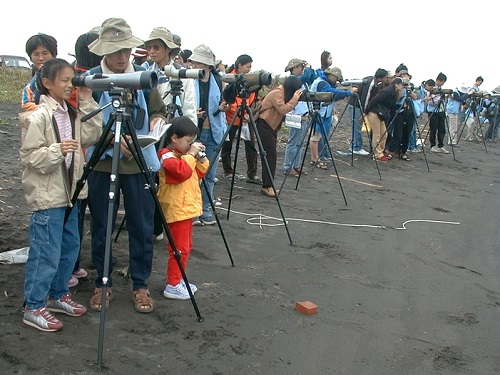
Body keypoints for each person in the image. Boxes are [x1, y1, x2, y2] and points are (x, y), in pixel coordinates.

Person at [85, 18, 167, 313]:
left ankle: (141, 285)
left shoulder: (143, 77)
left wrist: (155, 126)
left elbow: (158, 110)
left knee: (142, 224)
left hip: (138, 162)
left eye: (127, 50)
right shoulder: (92, 79)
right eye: (117, 50)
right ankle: (102, 282)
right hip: (103, 164)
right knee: (102, 225)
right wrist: (108, 140)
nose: (122, 57)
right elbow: (83, 121)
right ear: (104, 50)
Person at [20, 58, 103, 331]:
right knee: (46, 252)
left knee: (69, 248)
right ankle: (33, 305)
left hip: (71, 193)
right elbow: (31, 157)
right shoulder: (39, 116)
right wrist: (58, 150)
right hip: (48, 196)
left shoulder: (72, 112)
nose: (70, 85)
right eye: (64, 81)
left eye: (72, 80)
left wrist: (88, 100)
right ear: (47, 83)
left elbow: (92, 135)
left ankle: (57, 295)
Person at [144, 27, 197, 239]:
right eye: (149, 47)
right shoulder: (144, 72)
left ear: (168, 50)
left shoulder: (183, 75)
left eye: (156, 47)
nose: (152, 51)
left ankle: (166, 222)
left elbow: (190, 108)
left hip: (173, 134)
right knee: (150, 179)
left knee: (168, 179)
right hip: (151, 132)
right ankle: (152, 223)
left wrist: (188, 140)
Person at [66, 29, 103, 288]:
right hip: (81, 155)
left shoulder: (80, 77)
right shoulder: (82, 80)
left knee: (76, 214)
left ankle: (74, 263)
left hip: (85, 153)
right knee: (76, 213)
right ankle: (71, 264)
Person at [157, 117, 209, 299]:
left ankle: (178, 279)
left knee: (185, 247)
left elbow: (201, 173)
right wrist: (190, 155)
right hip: (177, 210)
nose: (190, 145)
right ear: (174, 138)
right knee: (178, 249)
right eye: (188, 141)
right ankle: (172, 284)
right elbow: (182, 172)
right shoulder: (166, 155)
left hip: (186, 209)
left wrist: (199, 157)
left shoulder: (183, 156)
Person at [188, 44, 228, 225]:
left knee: (209, 174)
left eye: (197, 63)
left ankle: (205, 210)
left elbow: (220, 104)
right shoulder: (188, 80)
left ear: (207, 66)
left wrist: (222, 108)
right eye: (193, 62)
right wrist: (190, 112)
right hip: (194, 132)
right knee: (191, 174)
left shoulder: (217, 81)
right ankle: (193, 212)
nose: (193, 66)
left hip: (213, 132)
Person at [258, 76, 303, 197]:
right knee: (269, 156)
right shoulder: (277, 93)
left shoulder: (281, 93)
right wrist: (294, 99)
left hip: (269, 126)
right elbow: (283, 109)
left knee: (270, 156)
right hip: (264, 125)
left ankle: (268, 185)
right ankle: (266, 186)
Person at [222, 54, 261, 184]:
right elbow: (228, 99)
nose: (249, 69)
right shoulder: (229, 78)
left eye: (251, 67)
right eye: (248, 66)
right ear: (239, 66)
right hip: (231, 118)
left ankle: (252, 173)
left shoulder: (251, 80)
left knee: (251, 145)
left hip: (245, 117)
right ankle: (228, 171)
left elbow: (252, 98)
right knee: (227, 145)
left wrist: (247, 113)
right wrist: (239, 113)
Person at [309, 67, 356, 169]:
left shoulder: (323, 82)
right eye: (336, 78)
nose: (336, 81)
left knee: (319, 136)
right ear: (332, 75)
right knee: (315, 137)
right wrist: (348, 92)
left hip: (322, 113)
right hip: (318, 113)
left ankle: (317, 158)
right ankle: (315, 159)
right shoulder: (322, 83)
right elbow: (331, 93)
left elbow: (331, 94)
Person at [282, 58, 316, 176]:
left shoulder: (300, 81)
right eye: (301, 67)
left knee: (299, 143)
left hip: (304, 115)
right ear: (295, 68)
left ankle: (295, 165)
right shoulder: (292, 80)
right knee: (293, 143)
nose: (302, 69)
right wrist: (308, 68)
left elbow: (312, 77)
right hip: (296, 115)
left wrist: (309, 69)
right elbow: (306, 77)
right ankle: (288, 166)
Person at [345, 68, 389, 156]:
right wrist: (364, 112)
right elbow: (366, 98)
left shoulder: (376, 83)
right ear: (381, 78)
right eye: (385, 77)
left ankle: (355, 145)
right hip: (356, 104)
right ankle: (356, 147)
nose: (386, 79)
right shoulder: (371, 83)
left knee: (357, 125)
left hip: (358, 104)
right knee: (357, 125)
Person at [364, 77, 405, 162]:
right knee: (377, 134)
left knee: (384, 134)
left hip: (381, 114)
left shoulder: (393, 92)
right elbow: (375, 100)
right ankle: (377, 154)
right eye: (402, 85)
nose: (403, 87)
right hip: (375, 112)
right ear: (396, 84)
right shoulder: (387, 91)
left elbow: (391, 106)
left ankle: (380, 152)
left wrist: (401, 104)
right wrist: (366, 111)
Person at [21, 33, 58, 111]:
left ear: (53, 55)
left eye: (45, 53)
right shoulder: (31, 86)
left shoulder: (64, 76)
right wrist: (43, 107)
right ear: (30, 57)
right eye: (36, 54)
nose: (41, 58)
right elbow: (25, 103)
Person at [422, 78, 450, 153]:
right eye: (442, 82)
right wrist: (437, 99)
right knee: (433, 129)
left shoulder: (442, 90)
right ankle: (433, 145)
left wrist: (442, 99)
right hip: (433, 111)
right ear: (438, 80)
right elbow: (429, 102)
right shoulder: (431, 90)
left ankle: (441, 145)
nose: (442, 84)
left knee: (442, 129)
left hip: (441, 111)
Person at [464, 76, 484, 141]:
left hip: (476, 107)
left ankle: (473, 136)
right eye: (480, 82)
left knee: (474, 124)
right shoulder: (473, 88)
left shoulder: (477, 88)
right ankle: (468, 136)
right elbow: (472, 101)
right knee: (471, 124)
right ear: (477, 81)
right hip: (472, 107)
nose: (480, 84)